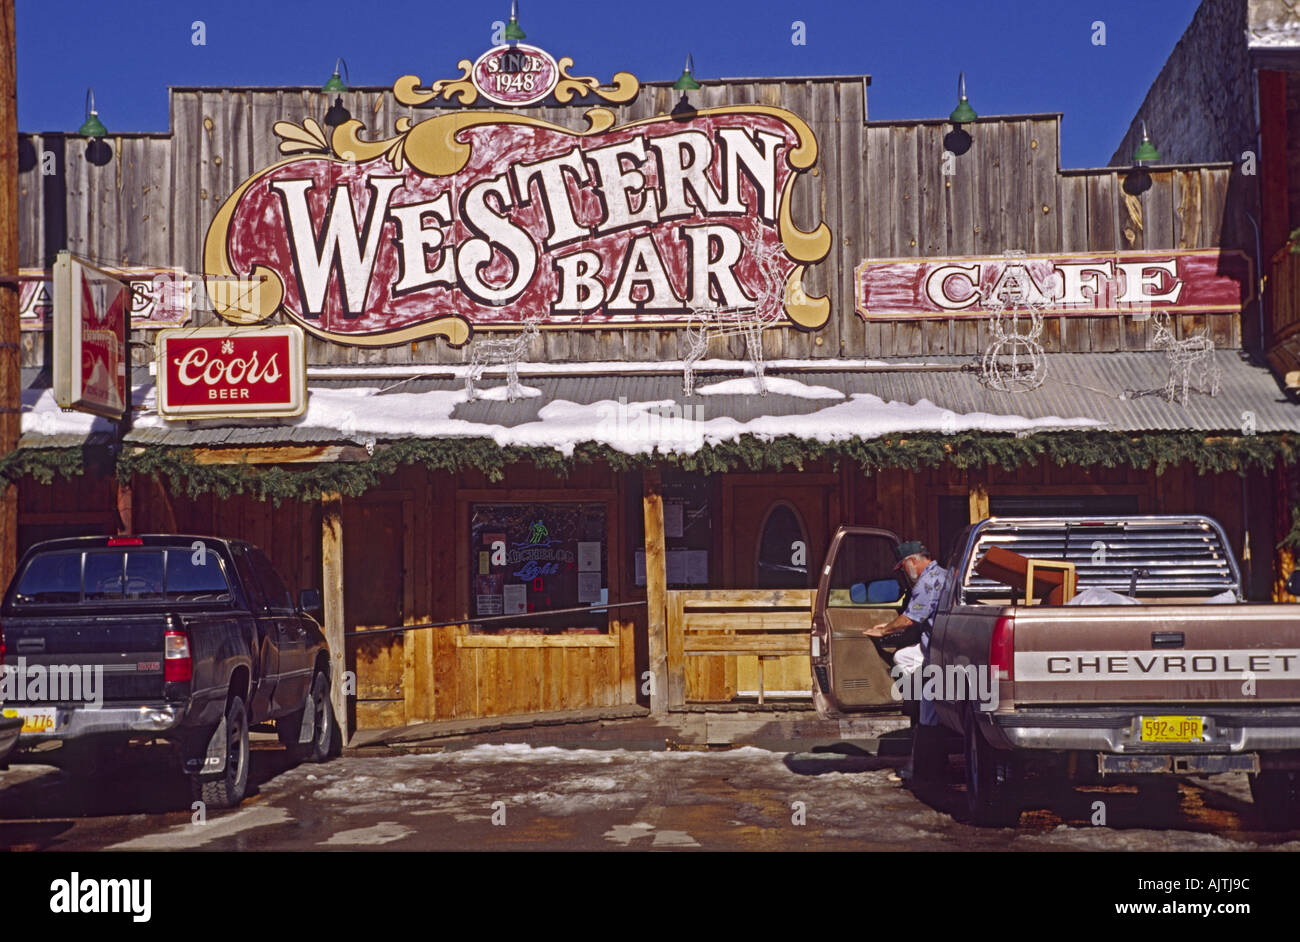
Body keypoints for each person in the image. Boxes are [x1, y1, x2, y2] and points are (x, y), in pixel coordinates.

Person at [865, 540, 949, 784]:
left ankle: (924, 772)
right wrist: (889, 627)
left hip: (937, 653)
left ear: (913, 561)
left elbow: (910, 619)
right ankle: (918, 692)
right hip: (932, 647)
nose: (904, 572)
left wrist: (885, 631)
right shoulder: (941, 574)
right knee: (902, 657)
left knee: (927, 714)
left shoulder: (928, 581)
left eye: (903, 567)